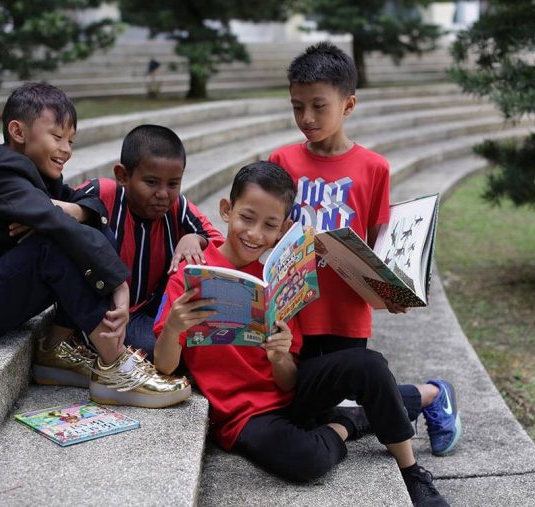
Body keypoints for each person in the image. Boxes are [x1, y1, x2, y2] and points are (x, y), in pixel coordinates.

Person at [153, 162, 449, 507]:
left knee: (369, 365)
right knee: (306, 460)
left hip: (290, 396)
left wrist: (279, 355)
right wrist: (174, 327)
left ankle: (412, 473)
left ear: (281, 231)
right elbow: (165, 367)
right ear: (226, 210)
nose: (254, 233)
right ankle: (349, 422)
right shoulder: (191, 275)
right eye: (246, 218)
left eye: (269, 225)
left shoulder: (275, 278)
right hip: (243, 414)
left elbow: (289, 382)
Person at [0, 82, 190, 409]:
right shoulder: (0, 173)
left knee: (83, 227)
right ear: (18, 131)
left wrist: (78, 210)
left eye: (70, 140)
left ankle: (55, 347)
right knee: (54, 243)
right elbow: (56, 225)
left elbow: (92, 206)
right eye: (57, 137)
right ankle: (114, 363)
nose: (66, 149)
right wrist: (119, 284)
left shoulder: (35, 176)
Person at [268, 42, 461, 457]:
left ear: (348, 104)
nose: (307, 118)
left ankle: (430, 395)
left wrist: (391, 290)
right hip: (294, 307)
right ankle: (427, 395)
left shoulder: (374, 167)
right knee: (304, 407)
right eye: (297, 106)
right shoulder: (282, 159)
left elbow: (379, 244)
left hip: (345, 311)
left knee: (335, 403)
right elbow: (271, 225)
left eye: (319, 106)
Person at [39, 124, 223, 376]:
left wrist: (194, 238)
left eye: (173, 183)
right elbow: (60, 227)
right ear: (123, 175)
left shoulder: (177, 207)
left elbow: (219, 243)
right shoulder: (102, 193)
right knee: (172, 354)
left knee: (197, 348)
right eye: (151, 182)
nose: (163, 194)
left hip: (148, 310)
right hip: (103, 314)